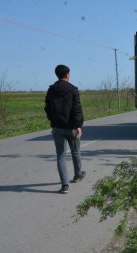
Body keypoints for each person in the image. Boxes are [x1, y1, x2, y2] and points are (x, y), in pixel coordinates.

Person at [44, 64, 86, 194]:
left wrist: (53, 120)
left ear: (57, 74)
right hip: (71, 127)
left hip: (57, 128)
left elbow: (47, 108)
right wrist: (78, 125)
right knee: (75, 152)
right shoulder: (73, 90)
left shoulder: (51, 90)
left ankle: (64, 185)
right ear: (67, 74)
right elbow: (77, 109)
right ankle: (78, 175)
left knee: (61, 156)